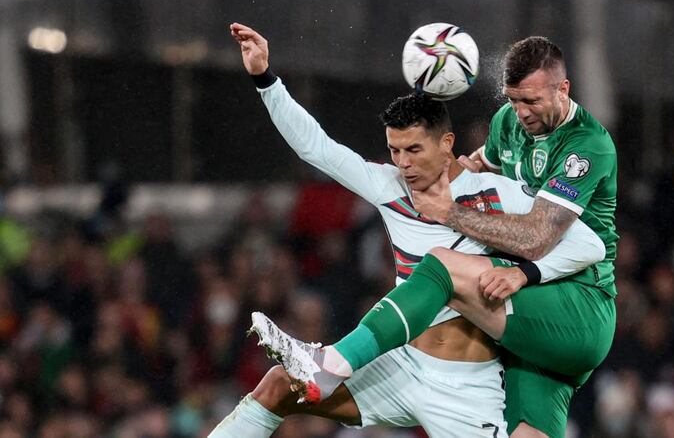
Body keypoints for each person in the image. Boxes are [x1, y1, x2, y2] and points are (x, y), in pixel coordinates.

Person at [208, 23, 606, 438]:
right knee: (277, 385)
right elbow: (316, 147)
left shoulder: (496, 193)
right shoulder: (388, 187)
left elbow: (588, 244)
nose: (404, 163)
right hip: (400, 367)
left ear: (447, 142)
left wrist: (527, 273)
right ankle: (323, 369)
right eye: (395, 150)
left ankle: (329, 365)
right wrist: (264, 79)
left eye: (414, 149)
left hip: (465, 385)